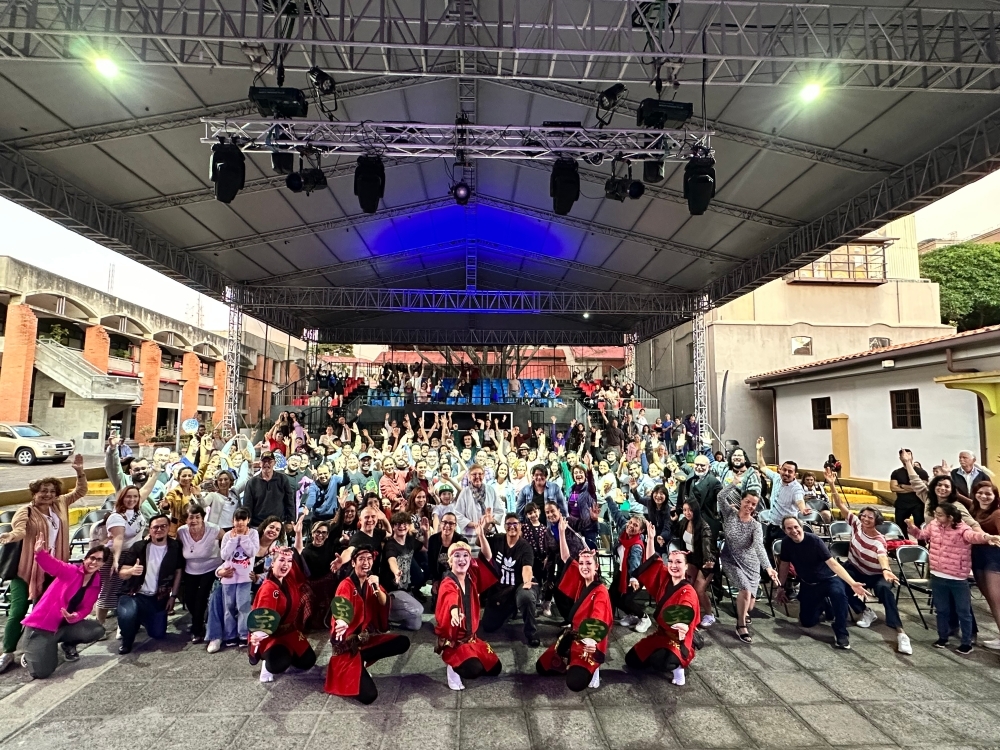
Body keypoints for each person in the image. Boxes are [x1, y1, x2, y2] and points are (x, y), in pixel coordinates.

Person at [0, 454, 88, 672]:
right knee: (18, 610)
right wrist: (10, 536)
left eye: (51, 491)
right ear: (34, 493)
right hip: (27, 570)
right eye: (43, 491)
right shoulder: (26, 511)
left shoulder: (60, 504)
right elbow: (20, 530)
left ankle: (57, 646)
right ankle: (7, 652)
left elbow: (80, 491)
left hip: (56, 570)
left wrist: (79, 472)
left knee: (56, 610)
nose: (48, 494)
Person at [823, 468, 911, 654]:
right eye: (863, 515)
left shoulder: (879, 539)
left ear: (877, 521)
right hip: (855, 568)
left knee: (885, 591)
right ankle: (864, 610)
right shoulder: (856, 524)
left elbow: (882, 556)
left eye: (870, 517)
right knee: (840, 581)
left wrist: (886, 570)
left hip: (876, 574)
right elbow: (840, 504)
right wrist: (832, 484)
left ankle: (900, 633)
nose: (865, 519)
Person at [906, 502, 1000, 654]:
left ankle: (966, 643)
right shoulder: (934, 525)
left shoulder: (963, 529)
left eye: (940, 514)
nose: (936, 517)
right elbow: (922, 535)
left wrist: (987, 537)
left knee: (963, 612)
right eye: (935, 513)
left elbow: (974, 536)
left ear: (950, 517)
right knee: (942, 610)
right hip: (937, 575)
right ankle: (943, 637)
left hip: (957, 578)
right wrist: (912, 528)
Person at [325, 546, 412, 704]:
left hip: (363, 643)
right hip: (347, 648)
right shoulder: (346, 585)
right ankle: (349, 668)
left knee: (402, 642)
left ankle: (362, 660)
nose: (366, 562)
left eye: (369, 559)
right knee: (369, 696)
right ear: (353, 563)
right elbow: (341, 604)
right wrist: (342, 621)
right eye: (361, 559)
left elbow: (384, 603)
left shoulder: (371, 582)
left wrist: (377, 588)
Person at [535, 519, 611, 691]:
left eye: (588, 563)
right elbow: (565, 558)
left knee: (574, 683)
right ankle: (571, 660)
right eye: (582, 563)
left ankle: (594, 669)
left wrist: (592, 641)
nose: (584, 566)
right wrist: (562, 532)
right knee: (543, 666)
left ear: (596, 566)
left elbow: (598, 618)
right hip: (575, 634)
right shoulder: (581, 578)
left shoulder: (601, 591)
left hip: (590, 640)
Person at [775, 516, 869, 650]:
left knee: (839, 595)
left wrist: (852, 583)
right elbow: (784, 565)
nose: (794, 531)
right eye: (789, 528)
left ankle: (841, 633)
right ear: (785, 531)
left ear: (801, 527)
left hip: (829, 580)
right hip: (809, 584)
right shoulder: (786, 543)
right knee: (807, 622)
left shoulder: (814, 540)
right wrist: (780, 587)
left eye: (796, 527)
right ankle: (824, 603)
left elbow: (833, 564)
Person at [20, 536, 107, 679]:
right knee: (42, 673)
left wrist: (76, 616)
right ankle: (32, 653)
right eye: (92, 558)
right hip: (42, 626)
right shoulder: (71, 571)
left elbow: (86, 608)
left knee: (97, 630)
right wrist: (40, 553)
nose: (94, 562)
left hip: (65, 626)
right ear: (85, 558)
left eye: (99, 560)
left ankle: (67, 645)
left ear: (103, 564)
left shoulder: (96, 583)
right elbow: (54, 565)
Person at [434, 529, 503, 691]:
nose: (462, 559)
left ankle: (471, 656)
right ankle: (452, 665)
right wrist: (454, 611)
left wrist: (481, 536)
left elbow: (487, 557)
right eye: (457, 556)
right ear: (450, 561)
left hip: (471, 638)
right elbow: (450, 596)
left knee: (495, 668)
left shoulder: (471, 575)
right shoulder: (448, 582)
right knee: (473, 670)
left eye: (465, 555)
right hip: (455, 641)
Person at [625, 542, 699, 686]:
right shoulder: (666, 577)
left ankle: (679, 669)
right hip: (662, 634)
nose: (673, 565)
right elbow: (653, 563)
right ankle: (660, 655)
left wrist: (683, 624)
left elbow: (686, 609)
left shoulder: (688, 592)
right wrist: (650, 538)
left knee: (661, 661)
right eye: (670, 561)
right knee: (632, 660)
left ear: (686, 566)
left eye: (678, 562)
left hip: (680, 639)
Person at [717, 485, 778, 644]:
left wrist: (768, 567)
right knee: (744, 590)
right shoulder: (729, 513)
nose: (750, 506)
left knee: (749, 606)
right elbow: (720, 496)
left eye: (753, 504)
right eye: (747, 502)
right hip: (731, 559)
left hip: (751, 563)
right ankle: (741, 625)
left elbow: (759, 546)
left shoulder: (755, 525)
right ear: (741, 501)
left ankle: (743, 611)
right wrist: (734, 483)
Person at [116, 514, 184, 654]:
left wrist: (173, 596)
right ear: (150, 529)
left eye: (163, 526)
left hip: (157, 597)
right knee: (127, 615)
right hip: (133, 594)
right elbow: (121, 573)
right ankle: (127, 640)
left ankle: (141, 618)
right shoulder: (139, 547)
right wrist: (131, 571)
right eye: (155, 527)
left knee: (158, 634)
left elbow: (178, 572)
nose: (159, 529)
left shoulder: (175, 547)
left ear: (168, 527)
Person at [249, 546, 316, 682]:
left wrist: (296, 538)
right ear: (272, 563)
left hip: (289, 630)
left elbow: (297, 550)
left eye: (289, 561)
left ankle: (287, 654)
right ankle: (267, 663)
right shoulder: (268, 588)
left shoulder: (288, 579)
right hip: (271, 635)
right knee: (278, 664)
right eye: (281, 560)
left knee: (308, 661)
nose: (286, 564)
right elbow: (262, 618)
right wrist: (257, 635)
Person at [480, 512, 539, 646]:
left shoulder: (525, 547)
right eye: (509, 524)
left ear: (520, 526)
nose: (512, 526)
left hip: (517, 587)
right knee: (488, 626)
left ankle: (531, 633)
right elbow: (480, 542)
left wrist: (527, 582)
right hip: (500, 589)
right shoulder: (498, 539)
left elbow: (527, 568)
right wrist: (486, 525)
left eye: (515, 524)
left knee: (526, 596)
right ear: (505, 526)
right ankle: (509, 611)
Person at [97, 484, 149, 626]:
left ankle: (123, 624)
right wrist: (116, 561)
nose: (132, 499)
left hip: (132, 554)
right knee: (108, 592)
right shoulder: (116, 516)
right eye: (128, 496)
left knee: (127, 590)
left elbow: (146, 490)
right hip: (115, 554)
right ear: (122, 498)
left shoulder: (135, 510)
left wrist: (155, 474)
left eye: (135, 496)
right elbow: (118, 539)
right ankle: (99, 625)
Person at [208, 508, 259, 653]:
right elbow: (224, 555)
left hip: (244, 577)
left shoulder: (253, 533)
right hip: (228, 577)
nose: (240, 523)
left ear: (248, 520)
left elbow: (252, 552)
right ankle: (230, 635)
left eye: (243, 519)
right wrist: (233, 539)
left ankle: (243, 634)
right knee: (228, 606)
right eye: (237, 519)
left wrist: (243, 538)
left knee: (243, 606)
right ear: (233, 521)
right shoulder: (227, 535)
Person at [177, 503, 224, 644]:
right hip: (190, 569)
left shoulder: (214, 529)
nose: (194, 520)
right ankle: (200, 619)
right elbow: (176, 547)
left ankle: (196, 630)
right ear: (186, 519)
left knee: (201, 598)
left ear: (203, 518)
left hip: (211, 568)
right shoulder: (181, 532)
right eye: (191, 517)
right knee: (189, 598)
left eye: (197, 517)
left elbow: (228, 539)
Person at [605, 495, 651, 633]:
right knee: (612, 595)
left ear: (641, 531)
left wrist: (633, 578)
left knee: (625, 601)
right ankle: (611, 620)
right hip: (621, 571)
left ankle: (644, 618)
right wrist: (609, 499)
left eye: (635, 526)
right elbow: (617, 514)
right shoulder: (624, 530)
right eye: (630, 523)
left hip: (636, 576)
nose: (630, 526)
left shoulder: (636, 546)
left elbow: (635, 563)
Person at [755, 437, 810, 550]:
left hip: (786, 529)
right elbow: (762, 466)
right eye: (784, 470)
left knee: (784, 555)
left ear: (795, 475)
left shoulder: (796, 488)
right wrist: (759, 450)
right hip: (772, 525)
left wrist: (803, 509)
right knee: (768, 553)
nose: (786, 473)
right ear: (780, 470)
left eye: (790, 471)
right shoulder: (776, 478)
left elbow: (799, 500)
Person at [673, 500, 716, 628]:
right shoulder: (684, 522)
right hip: (691, 559)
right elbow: (676, 533)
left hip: (706, 562)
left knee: (699, 590)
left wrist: (708, 560)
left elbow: (707, 545)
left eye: (690, 510)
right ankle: (689, 613)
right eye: (685, 510)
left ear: (696, 510)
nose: (687, 513)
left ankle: (709, 614)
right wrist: (674, 521)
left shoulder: (704, 526)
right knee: (686, 586)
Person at [382, 511, 427, 631]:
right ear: (393, 527)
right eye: (398, 524)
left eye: (404, 523)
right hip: (393, 591)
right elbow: (391, 559)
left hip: (406, 589)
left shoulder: (410, 541)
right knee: (419, 609)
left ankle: (393, 620)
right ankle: (384, 613)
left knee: (415, 625)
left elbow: (425, 548)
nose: (402, 526)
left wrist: (426, 532)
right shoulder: (390, 545)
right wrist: (396, 571)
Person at [971, 481, 1000, 650]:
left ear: (995, 496)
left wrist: (992, 539)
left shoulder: (997, 514)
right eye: (980, 493)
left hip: (994, 560)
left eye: (988, 494)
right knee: (990, 600)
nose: (984, 496)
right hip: (978, 558)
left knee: (997, 602)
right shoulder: (975, 510)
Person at [243, 451, 296, 529]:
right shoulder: (252, 482)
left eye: (269, 461)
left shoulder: (283, 479)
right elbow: (247, 506)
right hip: (257, 525)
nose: (267, 464)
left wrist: (290, 521)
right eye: (264, 461)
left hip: (278, 524)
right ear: (260, 463)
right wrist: (246, 525)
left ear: (274, 463)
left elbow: (290, 502)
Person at [453, 464, 506, 539]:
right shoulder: (464, 492)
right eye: (474, 474)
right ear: (469, 476)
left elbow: (499, 510)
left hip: (489, 532)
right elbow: (458, 514)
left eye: (480, 474)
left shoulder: (490, 490)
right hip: (471, 535)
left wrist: (490, 523)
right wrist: (474, 524)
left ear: (483, 475)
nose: (477, 477)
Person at [890, 450, 929, 530]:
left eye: (908, 455)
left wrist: (902, 486)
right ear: (900, 458)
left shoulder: (922, 472)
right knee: (900, 527)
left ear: (912, 456)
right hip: (902, 504)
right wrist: (914, 488)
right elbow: (893, 488)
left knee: (920, 526)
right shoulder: (896, 472)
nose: (906, 457)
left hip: (918, 504)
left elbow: (922, 487)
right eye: (903, 456)